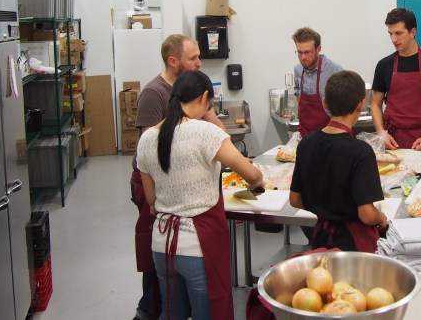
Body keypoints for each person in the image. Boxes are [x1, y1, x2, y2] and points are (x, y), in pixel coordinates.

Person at [137, 71, 262, 320]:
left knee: (172, 313)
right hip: (197, 246)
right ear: (205, 97)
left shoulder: (147, 139)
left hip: (161, 245)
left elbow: (151, 200)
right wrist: (257, 180)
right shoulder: (206, 133)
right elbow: (251, 174)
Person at [131, 34, 224, 320]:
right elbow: (150, 147)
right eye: (193, 58)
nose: (199, 62)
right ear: (173, 61)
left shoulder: (192, 89)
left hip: (181, 185)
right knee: (158, 249)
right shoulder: (153, 93)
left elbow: (214, 123)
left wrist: (228, 147)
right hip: (156, 183)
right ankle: (147, 310)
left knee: (172, 258)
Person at [289, 70, 388, 252]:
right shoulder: (361, 152)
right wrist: (381, 217)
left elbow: (295, 199)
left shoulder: (306, 144)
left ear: (325, 103)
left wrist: (325, 209)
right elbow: (366, 214)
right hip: (353, 246)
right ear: (361, 104)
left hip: (320, 239)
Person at [371, 8, 421, 151]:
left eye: (398, 33)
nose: (393, 39)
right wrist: (381, 133)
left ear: (413, 32)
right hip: (392, 140)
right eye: (390, 34)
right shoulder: (384, 65)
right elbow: (375, 105)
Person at [292, 27, 343, 137]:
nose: (303, 57)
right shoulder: (298, 69)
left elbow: (343, 106)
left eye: (307, 52)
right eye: (299, 52)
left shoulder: (334, 70)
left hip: (329, 134)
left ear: (318, 49)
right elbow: (298, 94)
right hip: (306, 134)